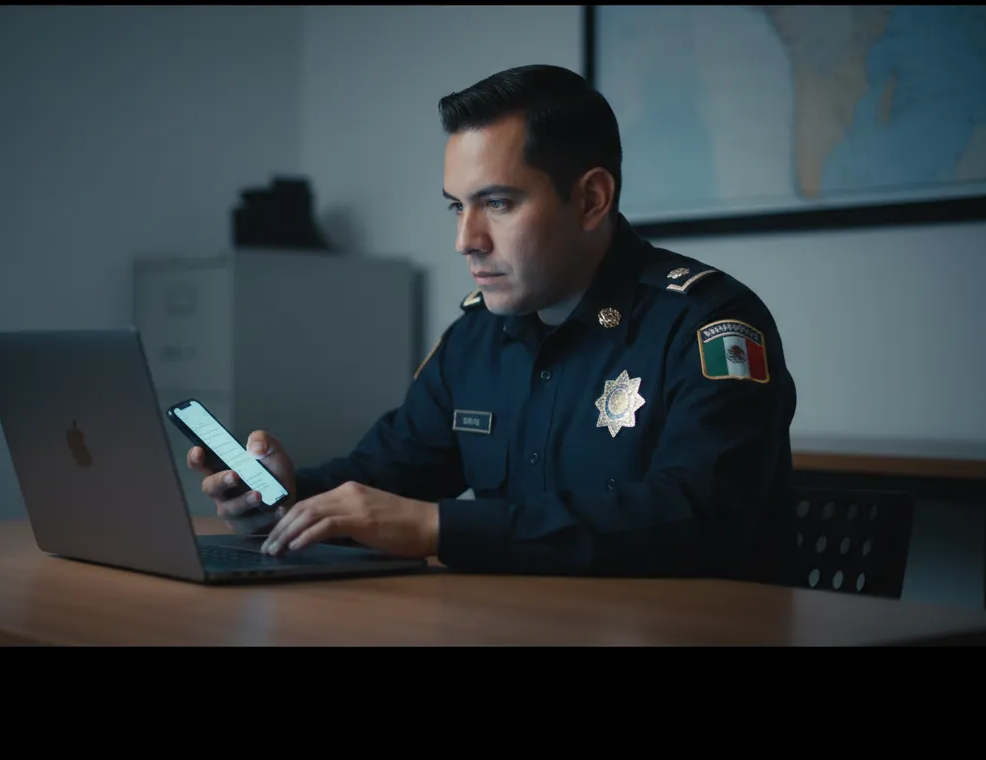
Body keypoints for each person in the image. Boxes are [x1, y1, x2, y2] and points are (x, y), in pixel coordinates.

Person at [188, 64, 798, 584]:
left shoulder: (706, 322)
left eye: (498, 204)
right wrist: (283, 497)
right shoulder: (476, 339)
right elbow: (385, 476)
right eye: (458, 206)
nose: (466, 240)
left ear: (591, 199)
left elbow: (699, 517)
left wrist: (438, 526)